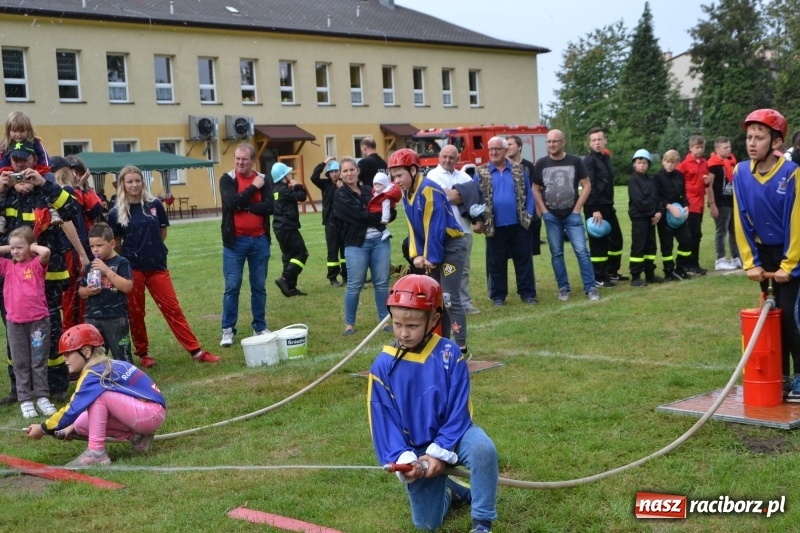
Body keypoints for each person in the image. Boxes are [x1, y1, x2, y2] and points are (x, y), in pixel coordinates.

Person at [367, 275, 498, 533]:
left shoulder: (450, 354)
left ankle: (482, 522)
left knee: (484, 450)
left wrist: (440, 451)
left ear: (434, 320)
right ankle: (452, 492)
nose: (404, 332)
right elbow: (384, 424)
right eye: (397, 324)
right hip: (414, 450)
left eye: (412, 325)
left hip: (455, 435)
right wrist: (403, 458)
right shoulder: (381, 367)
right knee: (426, 524)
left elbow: (459, 411)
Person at [108, 165, 220, 366]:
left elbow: (162, 233)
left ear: (143, 182)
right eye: (129, 181)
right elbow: (115, 243)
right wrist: (130, 256)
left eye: (137, 180)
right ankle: (143, 354)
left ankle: (196, 351)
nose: (134, 185)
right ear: (122, 185)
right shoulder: (116, 211)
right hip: (132, 270)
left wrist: (154, 250)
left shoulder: (155, 205)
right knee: (136, 312)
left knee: (172, 309)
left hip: (157, 266)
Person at [0, 140, 81, 406]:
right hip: (12, 277)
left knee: (50, 331)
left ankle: (56, 385)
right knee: (16, 332)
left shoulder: (46, 188)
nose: (20, 165)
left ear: (34, 160)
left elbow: (71, 210)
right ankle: (18, 388)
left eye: (24, 160)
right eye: (15, 161)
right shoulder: (6, 192)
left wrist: (44, 184)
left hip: (48, 273)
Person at [25, 324, 166, 466]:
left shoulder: (93, 375)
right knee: (79, 424)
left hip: (149, 415)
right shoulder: (106, 365)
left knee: (100, 397)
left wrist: (43, 428)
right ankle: (138, 436)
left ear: (86, 352)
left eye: (68, 353)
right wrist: (68, 428)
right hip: (150, 414)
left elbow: (72, 408)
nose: (64, 359)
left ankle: (96, 453)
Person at [732, 109, 800, 401]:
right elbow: (740, 219)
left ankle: (799, 376)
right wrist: (752, 262)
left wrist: (790, 264)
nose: (752, 142)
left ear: (775, 142)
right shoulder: (740, 173)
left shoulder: (791, 172)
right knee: (770, 317)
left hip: (791, 254)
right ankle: (781, 375)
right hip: (764, 254)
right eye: (749, 137)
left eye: (760, 137)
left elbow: (796, 221)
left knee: (791, 317)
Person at [389, 148, 470, 354]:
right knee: (435, 300)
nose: (396, 180)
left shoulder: (428, 190)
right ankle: (440, 344)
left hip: (451, 248)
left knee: (450, 298)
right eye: (393, 175)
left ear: (414, 170)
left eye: (399, 175)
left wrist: (430, 257)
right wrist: (416, 255)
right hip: (430, 251)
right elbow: (413, 228)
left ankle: (460, 348)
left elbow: (434, 226)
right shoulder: (407, 193)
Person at [532, 130, 599, 302]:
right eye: (548, 142)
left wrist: (577, 209)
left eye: (555, 141)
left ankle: (591, 287)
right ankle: (563, 288)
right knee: (556, 254)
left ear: (563, 142)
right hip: (551, 217)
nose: (551, 144)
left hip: (572, 215)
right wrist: (544, 211)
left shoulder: (575, 161)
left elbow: (587, 185)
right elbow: (535, 189)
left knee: (582, 251)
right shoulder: (541, 163)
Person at [219, 143, 273, 347]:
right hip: (235, 242)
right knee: (232, 286)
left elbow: (270, 207)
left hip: (260, 240)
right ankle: (227, 330)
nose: (240, 162)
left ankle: (259, 326)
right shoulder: (228, 179)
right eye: (237, 159)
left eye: (245, 159)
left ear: (253, 161)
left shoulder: (264, 179)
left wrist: (247, 205)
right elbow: (231, 203)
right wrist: (253, 188)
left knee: (259, 286)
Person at [0, 227, 56, 418]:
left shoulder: (36, 265)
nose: (15, 252)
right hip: (15, 324)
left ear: (31, 247)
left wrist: (32, 246)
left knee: (38, 361)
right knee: (21, 362)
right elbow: (10, 251)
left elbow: (46, 252)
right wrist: (11, 246)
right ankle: (25, 399)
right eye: (13, 248)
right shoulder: (8, 266)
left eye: (19, 248)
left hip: (38, 323)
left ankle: (42, 396)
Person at [333, 156, 392, 336]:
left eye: (352, 170)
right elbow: (358, 216)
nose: (349, 173)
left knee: (382, 283)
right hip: (356, 244)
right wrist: (380, 215)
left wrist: (385, 213)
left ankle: (384, 320)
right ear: (340, 175)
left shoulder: (370, 189)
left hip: (380, 242)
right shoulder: (340, 194)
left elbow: (391, 210)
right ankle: (349, 324)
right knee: (355, 284)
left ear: (358, 171)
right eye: (345, 171)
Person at [475, 137, 537, 306]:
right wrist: (477, 220)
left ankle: (528, 293)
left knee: (524, 260)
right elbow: (474, 198)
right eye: (491, 149)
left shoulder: (518, 169)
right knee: (496, 263)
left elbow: (530, 195)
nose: (494, 152)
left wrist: (529, 215)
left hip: (519, 224)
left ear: (505, 150)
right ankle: (498, 296)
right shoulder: (481, 172)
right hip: (494, 226)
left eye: (498, 149)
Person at [426, 144, 483, 315]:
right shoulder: (432, 175)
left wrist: (457, 195)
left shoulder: (464, 176)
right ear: (439, 157)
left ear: (457, 159)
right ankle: (441, 303)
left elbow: (473, 197)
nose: (447, 160)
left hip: (464, 230)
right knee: (440, 269)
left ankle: (465, 303)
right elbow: (442, 197)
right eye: (444, 156)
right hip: (441, 230)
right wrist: (461, 195)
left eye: (452, 157)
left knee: (463, 269)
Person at [78, 222, 133, 362]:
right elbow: (81, 291)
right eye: (92, 246)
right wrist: (88, 290)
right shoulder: (90, 266)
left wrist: (107, 270)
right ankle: (98, 381)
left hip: (116, 317)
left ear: (112, 244)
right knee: (93, 358)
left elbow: (127, 287)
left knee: (122, 355)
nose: (95, 250)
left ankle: (126, 380)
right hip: (93, 317)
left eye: (100, 245)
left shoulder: (121, 262)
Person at [582, 127, 626, 286]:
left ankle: (611, 272)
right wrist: (595, 209)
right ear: (590, 143)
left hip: (608, 206)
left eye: (599, 139)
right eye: (593, 140)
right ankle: (599, 277)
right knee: (598, 244)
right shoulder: (588, 161)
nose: (597, 143)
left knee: (616, 240)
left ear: (605, 140)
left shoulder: (606, 158)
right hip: (595, 208)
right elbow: (590, 185)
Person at [654, 150, 692, 281]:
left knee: (686, 240)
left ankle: (680, 268)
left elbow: (683, 194)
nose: (669, 165)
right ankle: (669, 271)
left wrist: (686, 206)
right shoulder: (657, 177)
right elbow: (657, 197)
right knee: (667, 245)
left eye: (673, 162)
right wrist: (669, 207)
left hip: (679, 215)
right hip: (665, 216)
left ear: (677, 163)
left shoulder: (679, 176)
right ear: (663, 161)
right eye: (667, 162)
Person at [272, 162, 309, 297]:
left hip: (280, 227)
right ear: (283, 176)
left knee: (288, 256)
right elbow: (302, 196)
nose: (291, 174)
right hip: (287, 227)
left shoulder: (277, 189)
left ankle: (290, 288)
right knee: (302, 254)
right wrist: (297, 185)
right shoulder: (284, 190)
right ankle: (285, 278)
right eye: (288, 173)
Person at [627, 149, 663, 287]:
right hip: (639, 218)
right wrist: (653, 213)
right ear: (634, 164)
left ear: (648, 165)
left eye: (644, 163)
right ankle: (635, 276)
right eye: (639, 162)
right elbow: (639, 200)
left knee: (651, 247)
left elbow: (657, 197)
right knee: (638, 247)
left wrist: (659, 211)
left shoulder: (651, 180)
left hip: (651, 218)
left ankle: (650, 274)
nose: (642, 165)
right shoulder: (633, 181)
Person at [677, 136, 711, 275]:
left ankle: (693, 263)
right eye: (697, 147)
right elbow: (677, 181)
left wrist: (707, 182)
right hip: (690, 203)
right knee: (692, 234)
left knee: (696, 234)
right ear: (690, 148)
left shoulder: (704, 163)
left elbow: (705, 182)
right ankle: (689, 263)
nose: (699, 150)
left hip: (700, 203)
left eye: (702, 147)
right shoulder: (685, 164)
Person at [310, 157, 347, 287]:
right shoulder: (325, 184)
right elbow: (313, 177)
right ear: (328, 174)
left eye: (337, 171)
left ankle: (346, 276)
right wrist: (324, 162)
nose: (335, 174)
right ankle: (333, 278)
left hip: (344, 221)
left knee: (345, 251)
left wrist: (341, 188)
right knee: (332, 251)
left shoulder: (345, 184)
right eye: (332, 172)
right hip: (330, 222)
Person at [707, 136, 741, 270]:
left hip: (731, 200)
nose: (729, 150)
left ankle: (735, 257)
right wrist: (712, 204)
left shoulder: (731, 163)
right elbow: (708, 186)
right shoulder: (713, 165)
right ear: (717, 149)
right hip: (720, 202)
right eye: (725, 147)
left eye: (729, 147)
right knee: (721, 231)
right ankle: (720, 259)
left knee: (734, 230)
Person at [506, 135, 543, 258]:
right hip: (510, 215)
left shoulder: (529, 166)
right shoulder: (503, 167)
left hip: (528, 213)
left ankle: (528, 277)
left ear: (520, 146)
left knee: (528, 251)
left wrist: (537, 213)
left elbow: (535, 189)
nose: (508, 147)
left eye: (510, 144)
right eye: (506, 144)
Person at [368, 171, 402, 241]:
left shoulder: (385, 197)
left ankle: (385, 232)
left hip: (380, 213)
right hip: (376, 211)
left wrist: (385, 218)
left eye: (380, 184)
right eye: (375, 184)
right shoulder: (376, 193)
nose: (377, 186)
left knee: (374, 221)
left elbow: (386, 207)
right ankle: (385, 232)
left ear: (385, 186)